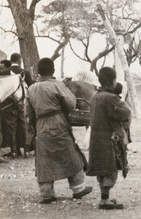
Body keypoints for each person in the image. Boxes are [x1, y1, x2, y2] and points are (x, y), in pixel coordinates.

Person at [26, 58, 92, 204]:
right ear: (53, 71)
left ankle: (46, 194)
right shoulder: (58, 85)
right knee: (70, 153)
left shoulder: (31, 88)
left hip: (41, 124)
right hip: (58, 122)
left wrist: (34, 125)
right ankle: (78, 189)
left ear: (38, 71)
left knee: (44, 159)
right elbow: (71, 102)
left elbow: (28, 111)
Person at [86, 67, 131, 210]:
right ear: (112, 80)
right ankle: (104, 201)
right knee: (111, 169)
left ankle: (104, 198)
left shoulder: (95, 96)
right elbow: (125, 113)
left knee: (103, 169)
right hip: (109, 139)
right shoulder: (110, 98)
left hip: (96, 139)